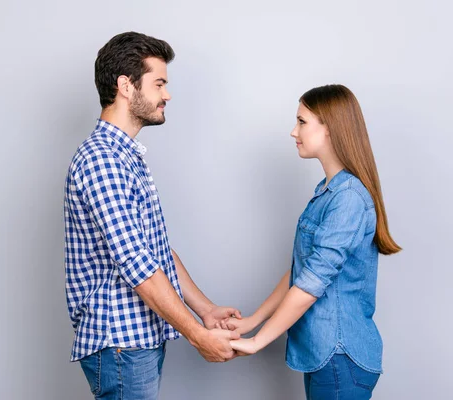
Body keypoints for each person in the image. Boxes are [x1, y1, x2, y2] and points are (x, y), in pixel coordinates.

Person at [64, 31, 240, 400]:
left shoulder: (126, 156)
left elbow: (155, 250)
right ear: (126, 86)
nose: (167, 94)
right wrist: (198, 336)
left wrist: (205, 311)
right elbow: (135, 263)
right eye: (159, 83)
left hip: (135, 341)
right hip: (120, 344)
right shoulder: (103, 160)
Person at [227, 84, 401, 400]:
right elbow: (302, 272)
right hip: (326, 357)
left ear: (330, 128)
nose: (294, 131)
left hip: (340, 357)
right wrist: (252, 321)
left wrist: (257, 341)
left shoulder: (347, 198)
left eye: (302, 122)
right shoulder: (328, 191)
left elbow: (310, 284)